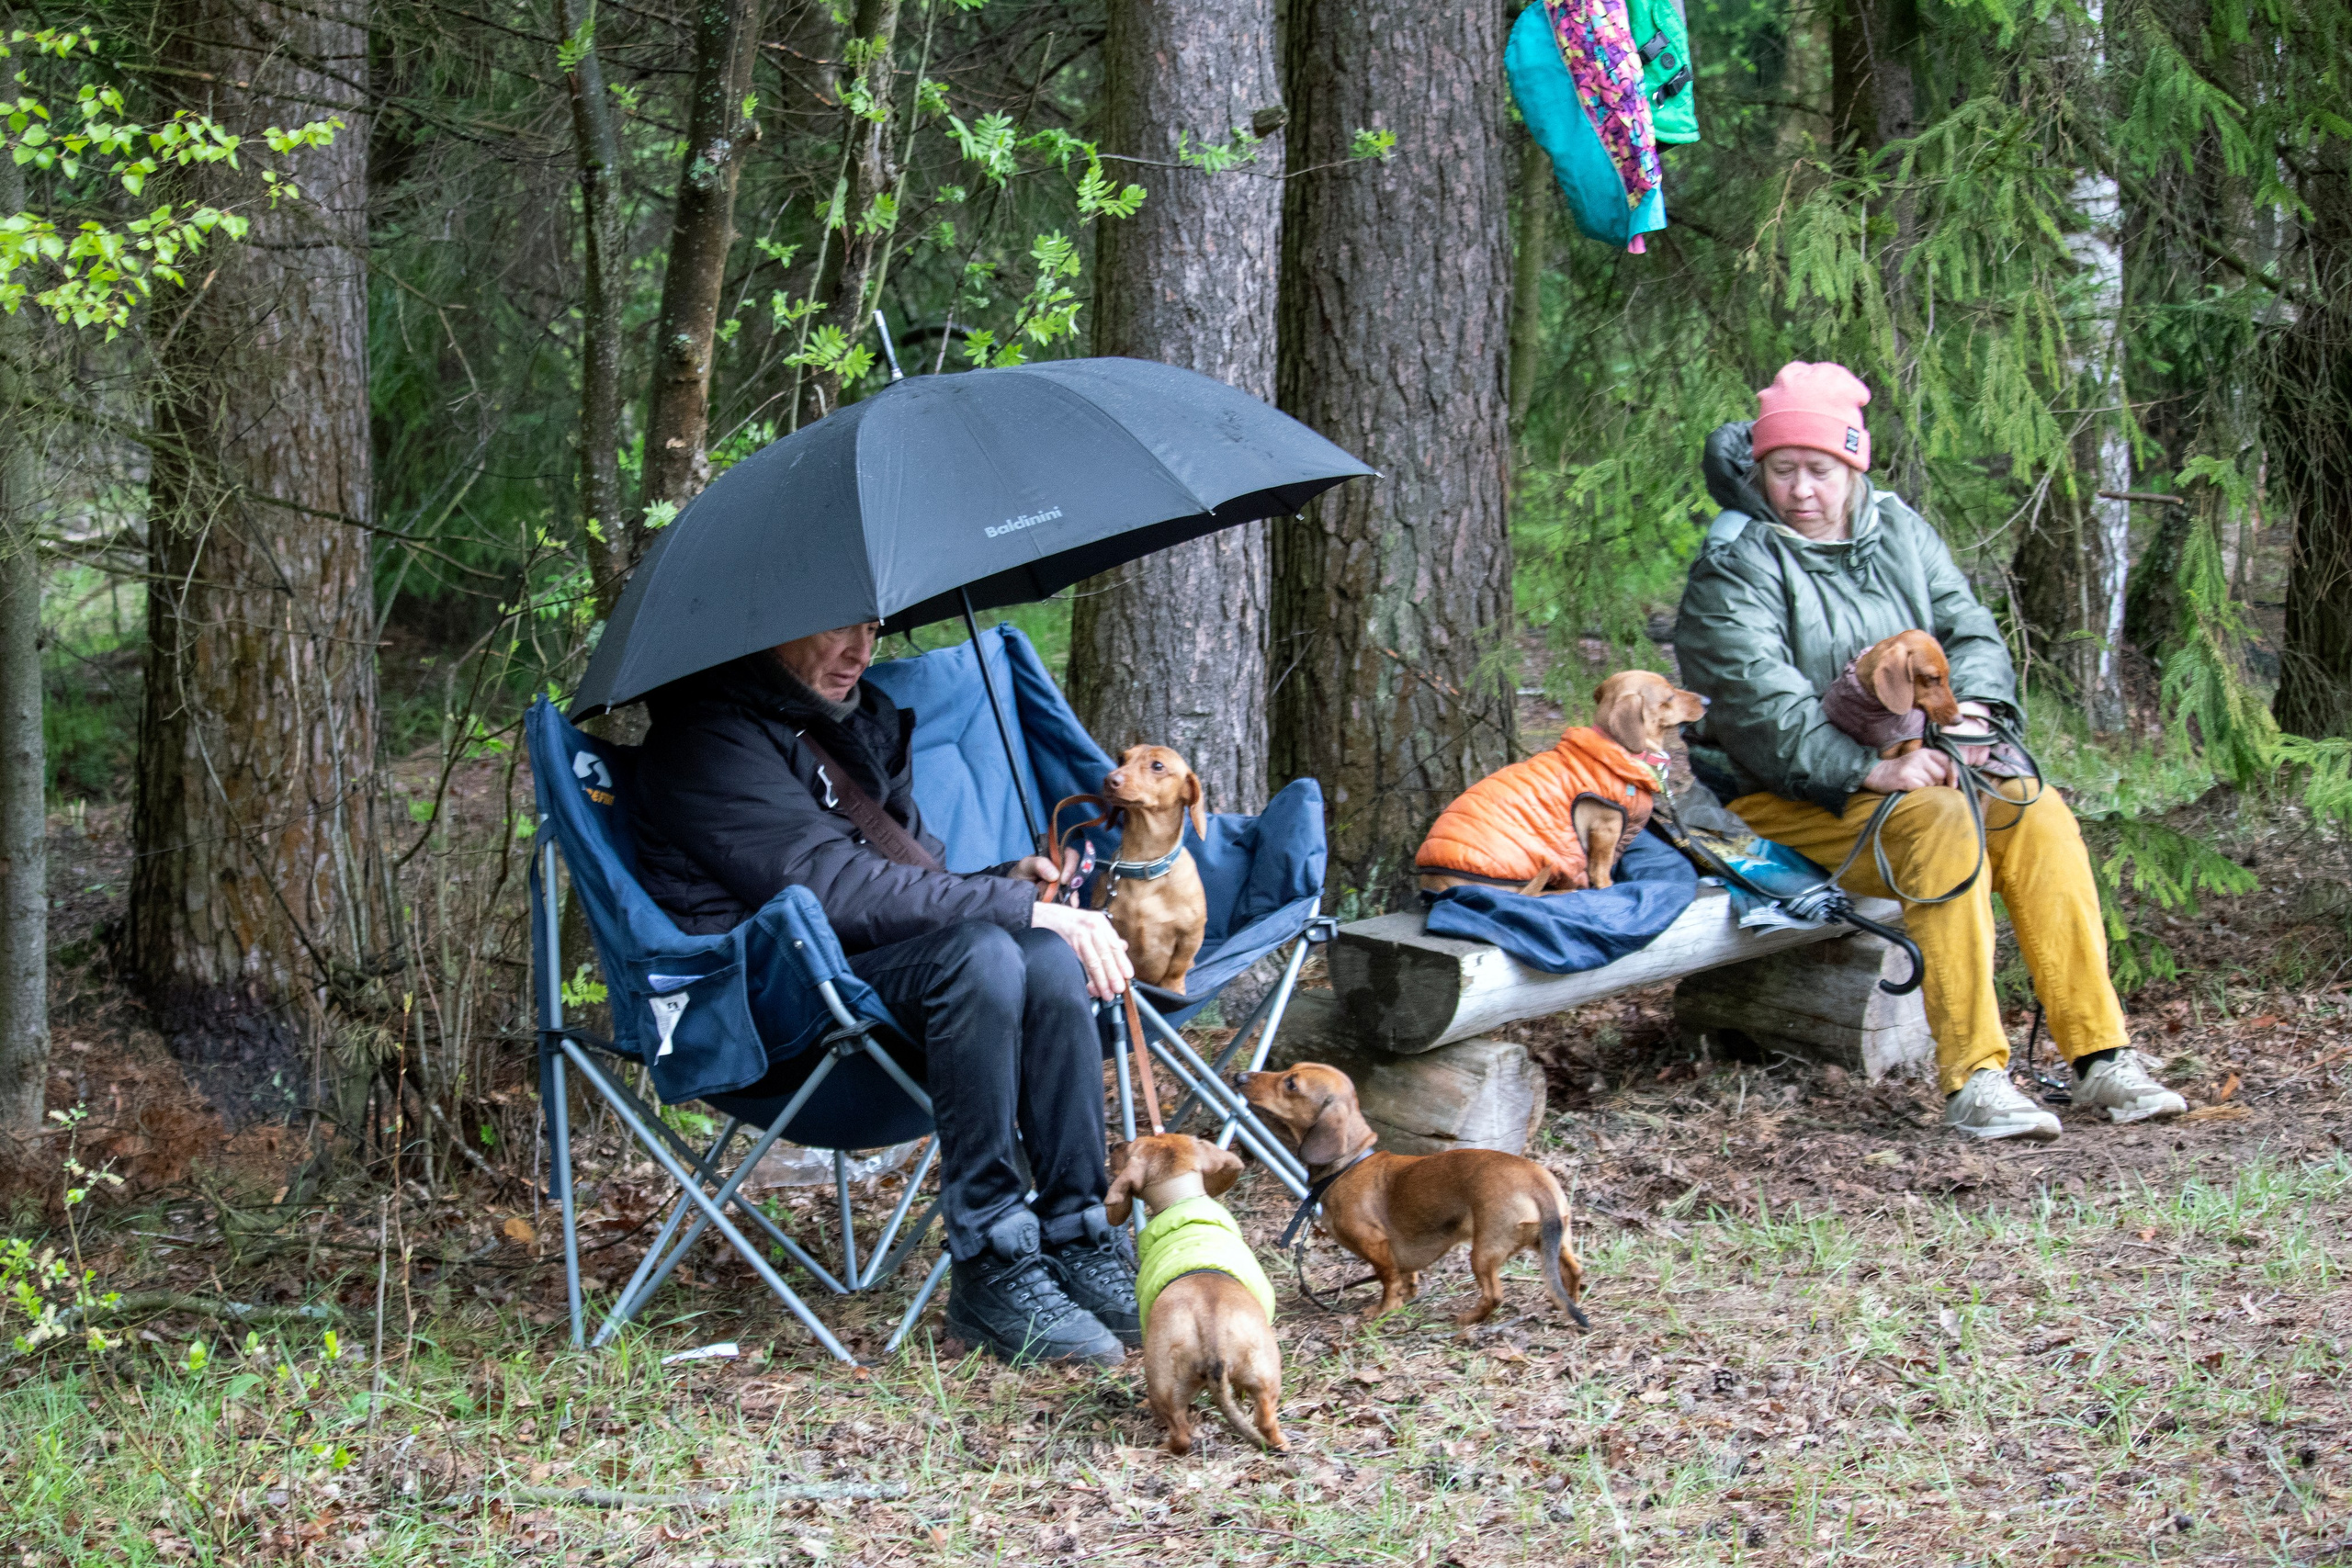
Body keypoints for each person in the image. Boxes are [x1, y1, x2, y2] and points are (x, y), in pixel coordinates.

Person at [1674, 362, 2188, 1141]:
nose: (1802, 489)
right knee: (1941, 821)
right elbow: (1756, 706)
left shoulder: (1898, 529)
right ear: (1760, 470)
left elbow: (1968, 628)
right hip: (1784, 797)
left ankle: (2101, 1057)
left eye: (1820, 469)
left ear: (1854, 465)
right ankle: (1976, 1077)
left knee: (2034, 810)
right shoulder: (1738, 558)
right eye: (1783, 470)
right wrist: (1871, 767)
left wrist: (1977, 709)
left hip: (1915, 771)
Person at [630, 620, 1139, 1364]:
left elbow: (909, 883)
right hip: (770, 1010)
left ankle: (1077, 1230)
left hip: (863, 985)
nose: (861, 652)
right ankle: (991, 1263)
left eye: (871, 628)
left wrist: (1002, 883)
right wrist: (1010, 908)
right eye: (837, 628)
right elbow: (832, 886)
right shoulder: (702, 741)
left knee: (1044, 953)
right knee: (983, 953)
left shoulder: (843, 728)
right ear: (769, 623)